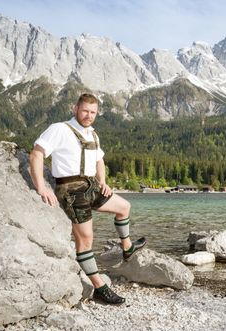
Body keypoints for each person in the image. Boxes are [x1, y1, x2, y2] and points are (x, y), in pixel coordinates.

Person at [29, 93, 146, 305]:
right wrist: (41, 187)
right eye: (85, 111)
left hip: (91, 186)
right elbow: (36, 154)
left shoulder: (92, 133)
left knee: (124, 207)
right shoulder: (60, 129)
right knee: (86, 241)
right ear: (75, 108)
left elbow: (99, 160)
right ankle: (100, 288)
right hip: (71, 189)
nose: (88, 115)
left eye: (93, 112)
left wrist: (103, 182)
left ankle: (127, 248)